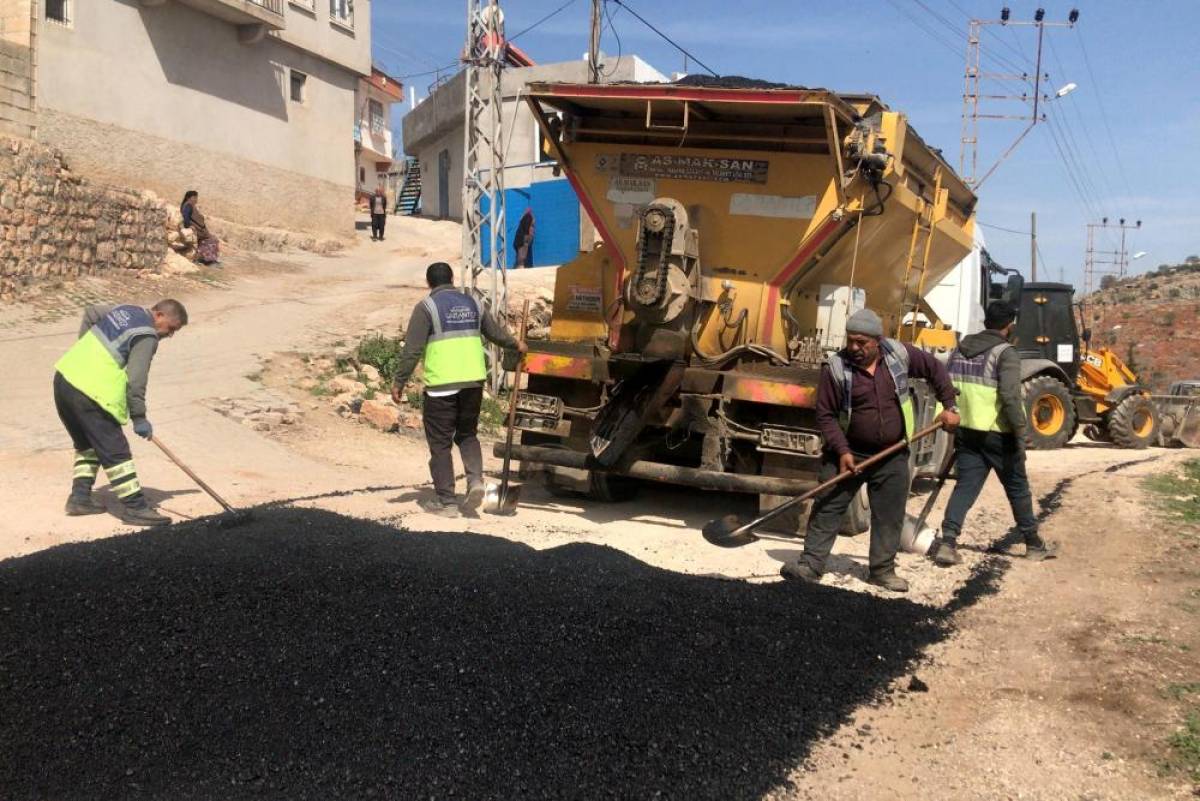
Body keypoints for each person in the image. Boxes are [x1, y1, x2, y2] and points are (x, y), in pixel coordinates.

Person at [780, 308, 960, 592]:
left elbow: (935, 370)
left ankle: (882, 571)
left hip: (893, 452)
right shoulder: (836, 368)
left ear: (878, 340)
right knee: (828, 505)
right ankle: (811, 564)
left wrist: (949, 406)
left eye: (861, 342)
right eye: (851, 340)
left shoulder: (899, 356)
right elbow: (825, 415)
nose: (854, 347)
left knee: (889, 513)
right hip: (847, 452)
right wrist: (842, 450)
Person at [390, 263, 526, 517]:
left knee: (441, 444)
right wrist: (516, 343)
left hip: (441, 386)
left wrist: (399, 382)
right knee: (467, 435)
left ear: (429, 282)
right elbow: (495, 333)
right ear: (452, 279)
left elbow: (411, 350)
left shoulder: (426, 308)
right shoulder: (474, 303)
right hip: (473, 383)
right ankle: (475, 481)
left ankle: (447, 503)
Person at [932, 301, 1057, 565]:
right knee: (1017, 487)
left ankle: (948, 542)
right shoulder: (1005, 353)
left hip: (966, 430)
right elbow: (1010, 397)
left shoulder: (960, 349)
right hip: (998, 432)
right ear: (1009, 325)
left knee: (965, 486)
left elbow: (948, 386)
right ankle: (1034, 544)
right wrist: (1020, 431)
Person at [54, 300, 189, 526]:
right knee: (116, 451)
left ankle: (80, 498)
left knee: (87, 445)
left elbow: (91, 312)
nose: (170, 335)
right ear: (158, 315)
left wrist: (84, 352)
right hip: (90, 392)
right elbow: (136, 381)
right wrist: (139, 417)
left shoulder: (125, 310)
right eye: (171, 328)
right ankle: (135, 508)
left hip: (64, 378)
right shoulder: (147, 335)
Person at [181, 190, 220, 265]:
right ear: (188, 198)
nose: (196, 199)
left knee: (213, 239)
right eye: (194, 197)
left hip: (200, 230)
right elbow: (186, 217)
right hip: (198, 231)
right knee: (212, 240)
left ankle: (206, 259)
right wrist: (189, 226)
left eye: (196, 197)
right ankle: (208, 260)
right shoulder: (188, 206)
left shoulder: (190, 205)